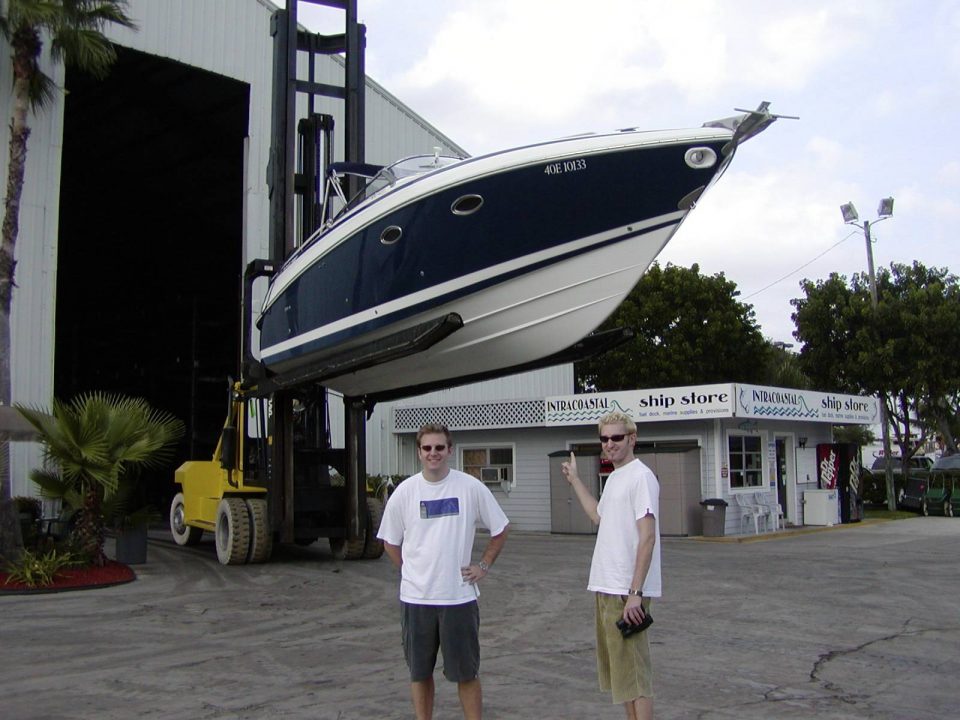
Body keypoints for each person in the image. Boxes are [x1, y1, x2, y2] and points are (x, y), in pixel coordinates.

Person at [377, 423, 510, 720]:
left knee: (466, 673)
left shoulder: (470, 487)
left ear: (450, 450)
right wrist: (410, 571)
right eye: (427, 448)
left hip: (458, 599)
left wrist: (483, 565)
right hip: (416, 600)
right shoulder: (405, 493)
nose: (433, 453)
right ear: (419, 452)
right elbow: (389, 542)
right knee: (419, 672)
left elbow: (500, 529)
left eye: (439, 448)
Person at [562, 410, 661, 720]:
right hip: (607, 586)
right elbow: (598, 517)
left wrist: (635, 592)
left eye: (617, 437)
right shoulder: (616, 477)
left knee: (634, 674)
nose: (610, 444)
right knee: (622, 676)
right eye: (604, 439)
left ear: (632, 438)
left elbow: (647, 537)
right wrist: (575, 480)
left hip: (625, 591)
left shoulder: (640, 476)